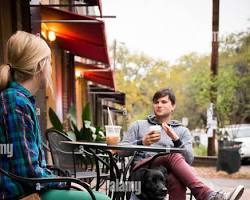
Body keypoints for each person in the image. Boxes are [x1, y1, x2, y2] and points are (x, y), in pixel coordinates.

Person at [0, 31, 110, 200]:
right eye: (50, 63)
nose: (51, 69)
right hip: (21, 194)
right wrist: (65, 182)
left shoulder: (19, 99)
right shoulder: (15, 102)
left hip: (29, 189)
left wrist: (62, 180)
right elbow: (28, 172)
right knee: (102, 199)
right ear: (39, 66)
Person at [120, 88, 244, 200]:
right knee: (172, 154)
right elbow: (120, 151)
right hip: (143, 171)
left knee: (176, 178)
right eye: (156, 102)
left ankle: (208, 196)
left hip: (165, 175)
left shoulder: (181, 130)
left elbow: (189, 160)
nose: (159, 105)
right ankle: (207, 195)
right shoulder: (139, 125)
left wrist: (176, 140)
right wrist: (142, 142)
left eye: (163, 102)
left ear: (173, 106)